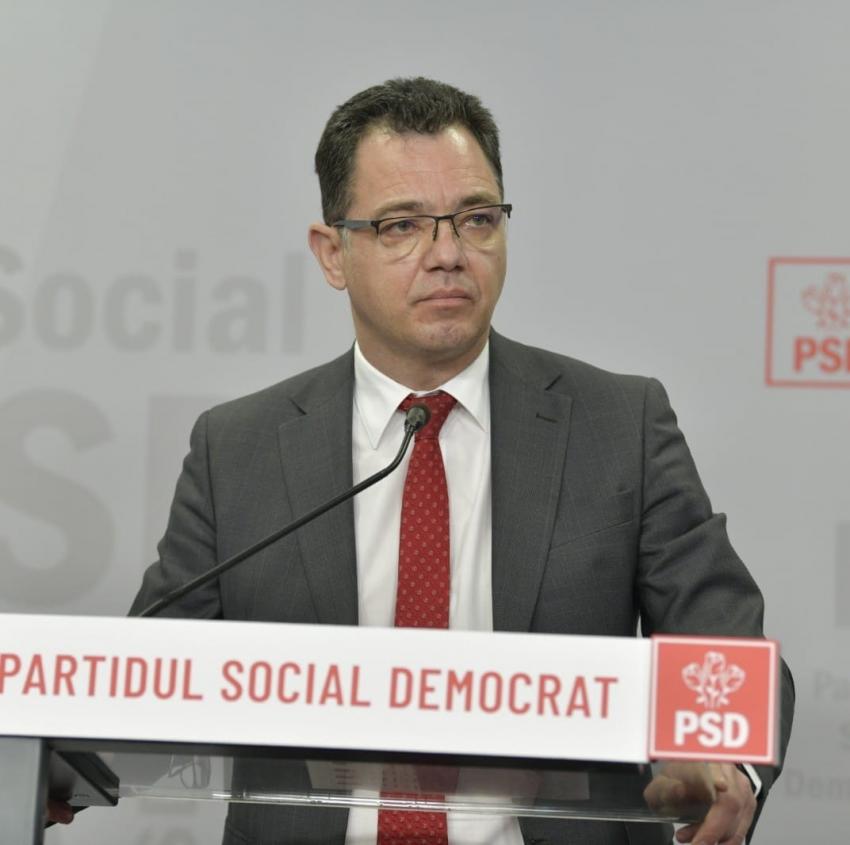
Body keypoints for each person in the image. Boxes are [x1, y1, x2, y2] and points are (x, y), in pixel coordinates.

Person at [123, 77, 792, 844]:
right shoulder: (237, 449)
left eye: (476, 219)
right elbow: (138, 678)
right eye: (402, 226)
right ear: (333, 253)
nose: (447, 255)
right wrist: (59, 762)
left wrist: (724, 760)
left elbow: (725, 648)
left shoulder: (618, 425)